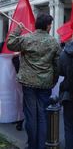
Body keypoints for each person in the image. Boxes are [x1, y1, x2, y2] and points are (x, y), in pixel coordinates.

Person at [7, 13, 60, 149]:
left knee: (31, 116)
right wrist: (53, 80)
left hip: (28, 83)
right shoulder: (53, 42)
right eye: (50, 25)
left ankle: (32, 145)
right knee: (42, 115)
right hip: (45, 84)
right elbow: (57, 65)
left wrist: (18, 30)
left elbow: (11, 44)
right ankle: (40, 146)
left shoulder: (27, 39)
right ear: (48, 26)